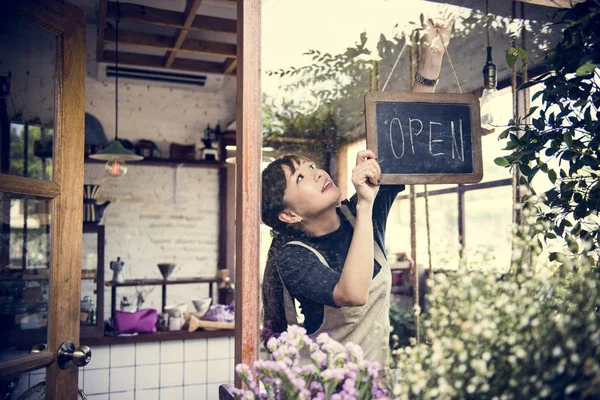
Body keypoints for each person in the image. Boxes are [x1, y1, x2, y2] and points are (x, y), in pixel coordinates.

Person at [261, 15, 454, 368]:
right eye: (301, 178)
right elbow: (351, 294)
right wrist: (365, 206)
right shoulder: (293, 255)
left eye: (311, 167)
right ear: (289, 214)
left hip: (375, 383)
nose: (317, 174)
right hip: (325, 387)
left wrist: (433, 55)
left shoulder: (357, 211)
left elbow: (403, 140)